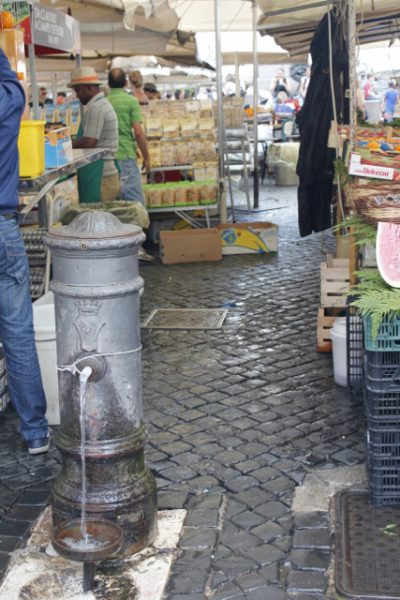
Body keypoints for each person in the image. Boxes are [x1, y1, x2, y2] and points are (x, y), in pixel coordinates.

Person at [0, 48, 49, 455]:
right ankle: (35, 432)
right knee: (18, 333)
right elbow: (16, 85)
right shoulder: (9, 102)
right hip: (3, 228)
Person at [107, 68, 153, 262]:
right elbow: (138, 132)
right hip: (125, 156)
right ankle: (136, 248)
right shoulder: (130, 101)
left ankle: (116, 248)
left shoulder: (103, 102)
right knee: (135, 203)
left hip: (107, 159)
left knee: (113, 204)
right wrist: (147, 157)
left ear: (109, 84)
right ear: (126, 83)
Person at [69, 66, 120, 204]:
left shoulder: (96, 108)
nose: (77, 95)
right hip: (102, 174)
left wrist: (65, 144)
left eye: (78, 90)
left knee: (97, 220)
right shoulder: (101, 104)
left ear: (88, 87)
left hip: (100, 176)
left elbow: (89, 142)